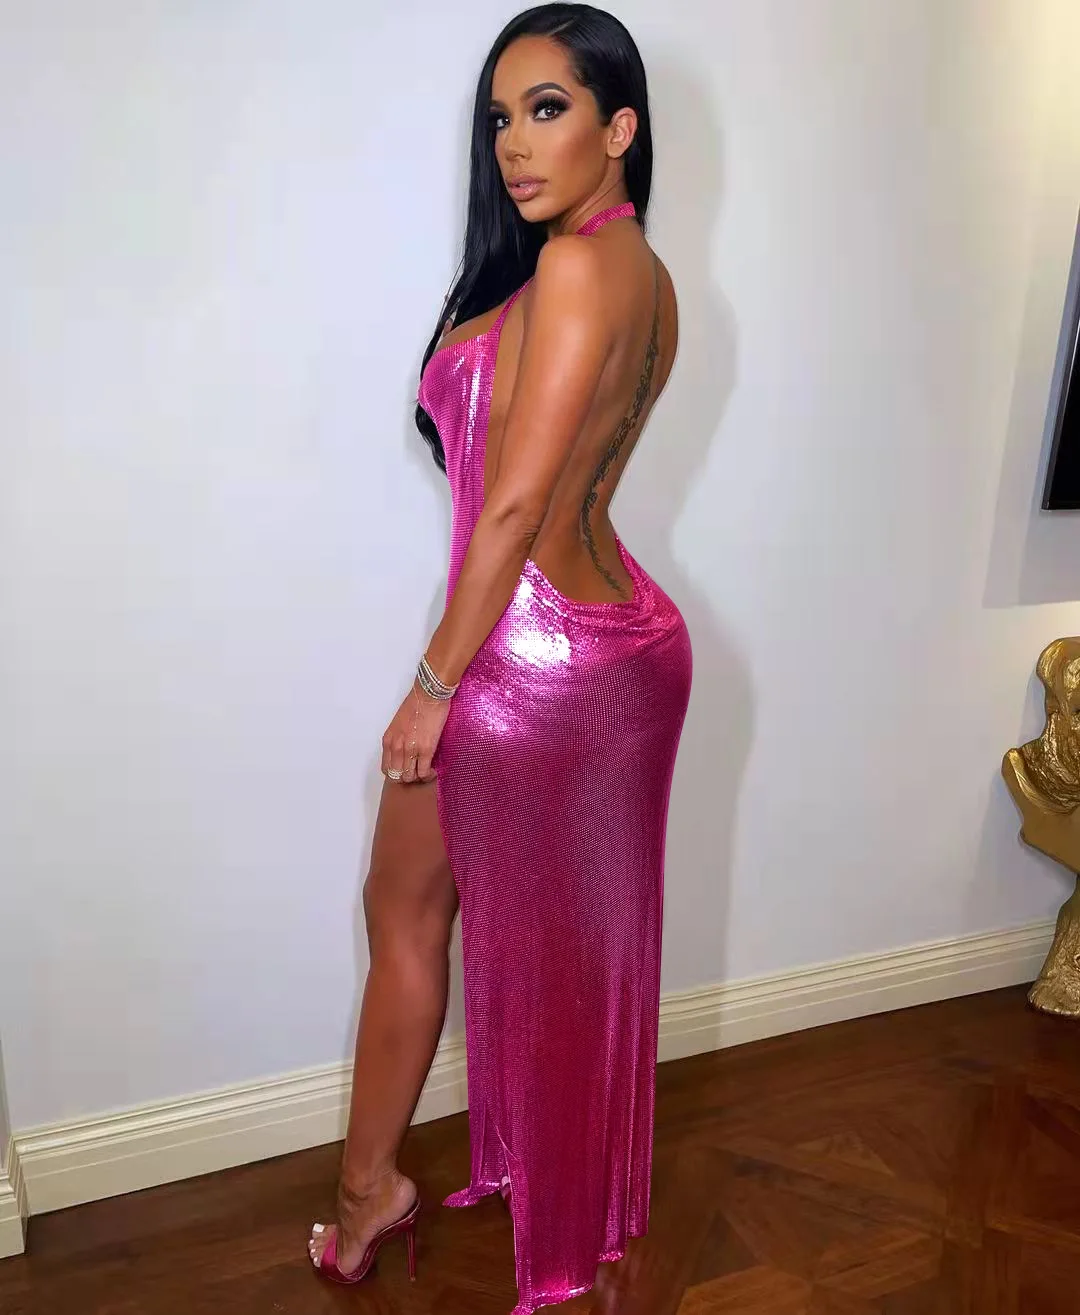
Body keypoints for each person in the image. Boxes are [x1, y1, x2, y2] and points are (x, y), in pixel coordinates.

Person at [308, 5, 692, 1311]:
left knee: (409, 912)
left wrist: (432, 686)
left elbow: (517, 506)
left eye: (548, 109)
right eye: (500, 119)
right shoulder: (650, 280)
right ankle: (555, 1197)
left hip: (523, 663)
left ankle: (374, 1194)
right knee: (565, 945)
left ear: (620, 127)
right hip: (620, 645)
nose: (515, 145)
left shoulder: (577, 271)